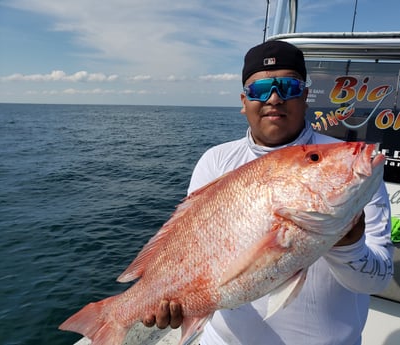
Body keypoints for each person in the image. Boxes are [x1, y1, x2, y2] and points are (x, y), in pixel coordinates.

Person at [143, 40, 394, 344]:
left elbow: (378, 279)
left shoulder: (350, 166)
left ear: (304, 96)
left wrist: (349, 244)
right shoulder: (216, 161)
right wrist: (164, 296)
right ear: (243, 100)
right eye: (259, 90)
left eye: (288, 86)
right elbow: (186, 246)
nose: (274, 98)